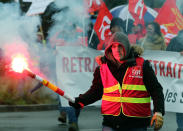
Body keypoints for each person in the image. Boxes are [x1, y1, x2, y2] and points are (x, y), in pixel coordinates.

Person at [69, 32, 165, 131]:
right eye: (114, 46)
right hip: (110, 123)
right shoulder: (102, 68)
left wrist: (158, 112)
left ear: (126, 47)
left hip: (137, 124)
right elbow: (96, 92)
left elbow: (156, 89)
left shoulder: (142, 65)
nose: (117, 50)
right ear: (110, 49)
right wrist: (79, 101)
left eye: (120, 46)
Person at [166, 30, 183, 131]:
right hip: (177, 80)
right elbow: (167, 57)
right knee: (180, 107)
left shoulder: (175, 39)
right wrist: (176, 55)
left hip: (177, 80)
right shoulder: (175, 40)